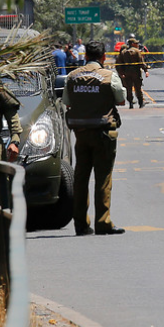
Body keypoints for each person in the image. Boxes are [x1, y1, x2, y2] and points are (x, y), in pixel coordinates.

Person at [62, 41, 126, 236]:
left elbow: (66, 101)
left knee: (81, 179)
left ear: (85, 56)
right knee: (103, 178)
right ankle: (103, 223)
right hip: (104, 133)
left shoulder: (72, 77)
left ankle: (81, 224)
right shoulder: (109, 76)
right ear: (103, 57)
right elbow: (121, 99)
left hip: (80, 133)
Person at [116, 34, 149, 109]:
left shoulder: (123, 52)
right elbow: (141, 62)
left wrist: (121, 73)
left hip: (127, 73)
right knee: (138, 88)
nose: (137, 45)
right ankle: (141, 103)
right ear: (132, 44)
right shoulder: (137, 51)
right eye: (136, 43)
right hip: (136, 73)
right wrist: (146, 70)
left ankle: (131, 103)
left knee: (129, 88)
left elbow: (119, 64)